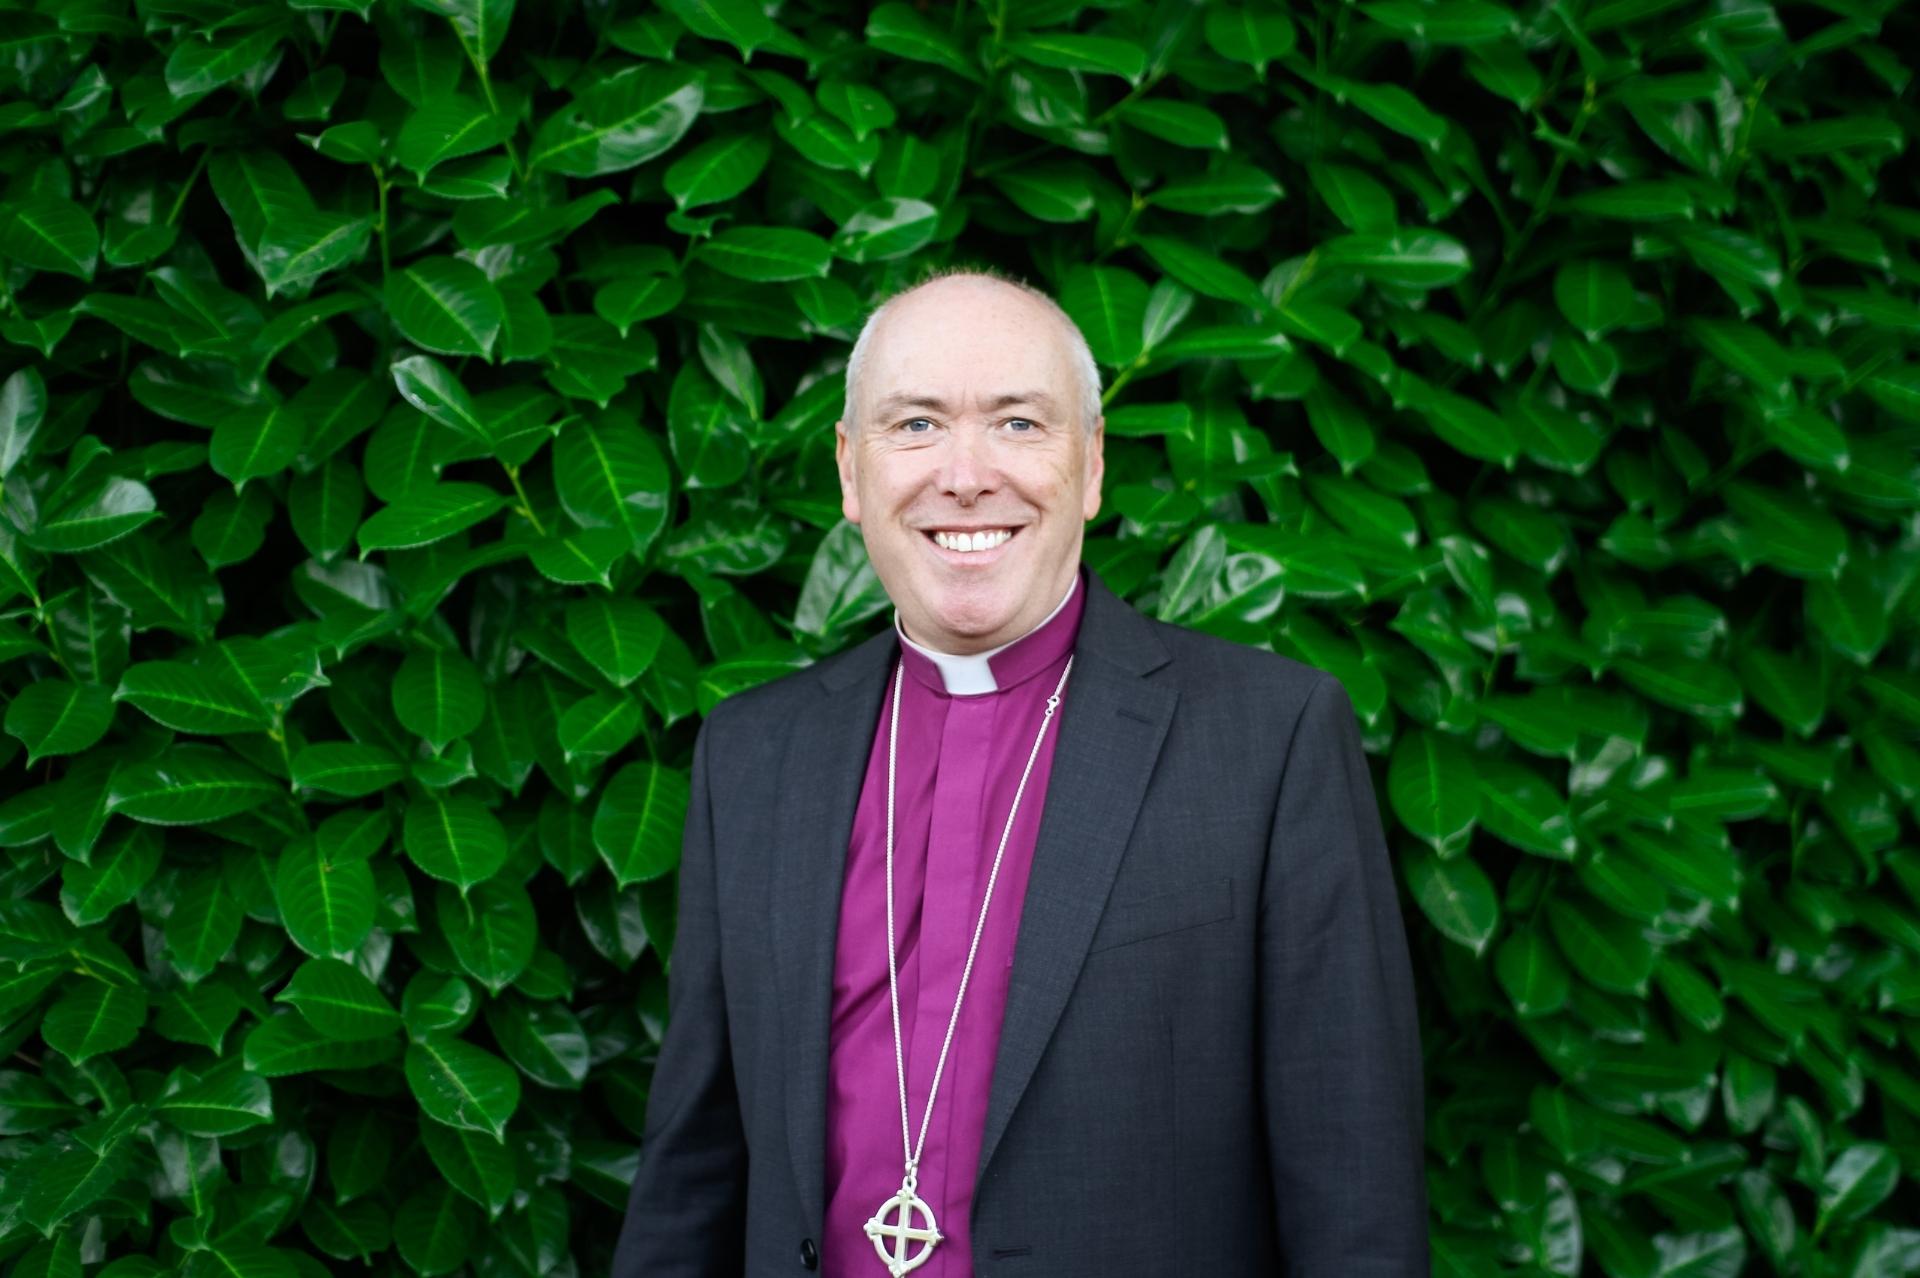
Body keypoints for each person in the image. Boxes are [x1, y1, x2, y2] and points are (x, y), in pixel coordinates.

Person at [612, 267, 1428, 1276]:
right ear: (850, 473)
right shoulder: (754, 755)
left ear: (1091, 465)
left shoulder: (1269, 741)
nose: (964, 475)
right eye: (914, 425)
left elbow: (1357, 1197)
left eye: (1018, 424)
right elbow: (692, 1173)